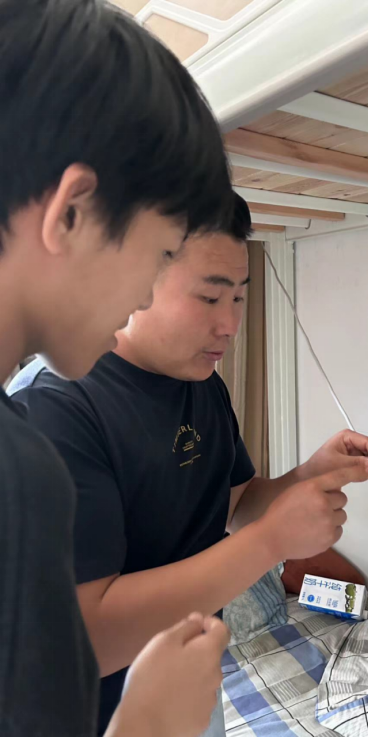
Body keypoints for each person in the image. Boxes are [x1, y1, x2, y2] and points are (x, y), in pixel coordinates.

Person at [10, 195, 368, 735]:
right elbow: (85, 638)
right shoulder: (55, 407)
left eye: (239, 297)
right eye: (210, 297)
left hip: (191, 680)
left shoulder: (202, 384)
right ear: (136, 280)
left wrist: (309, 475)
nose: (230, 324)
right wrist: (270, 544)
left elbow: (232, 505)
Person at [0, 0, 245, 734]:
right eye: (160, 253)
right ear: (72, 213)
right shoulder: (31, 451)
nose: (142, 294)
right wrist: (149, 723)